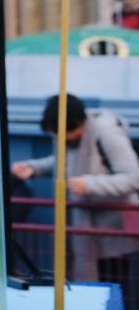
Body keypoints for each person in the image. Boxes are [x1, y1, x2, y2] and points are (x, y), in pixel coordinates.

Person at [13, 94, 139, 291]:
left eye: (65, 134)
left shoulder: (107, 133)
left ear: (80, 124)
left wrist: (89, 184)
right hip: (83, 225)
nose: (61, 139)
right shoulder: (67, 133)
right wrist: (34, 168)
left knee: (113, 284)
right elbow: (65, 163)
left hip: (112, 228)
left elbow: (133, 177)